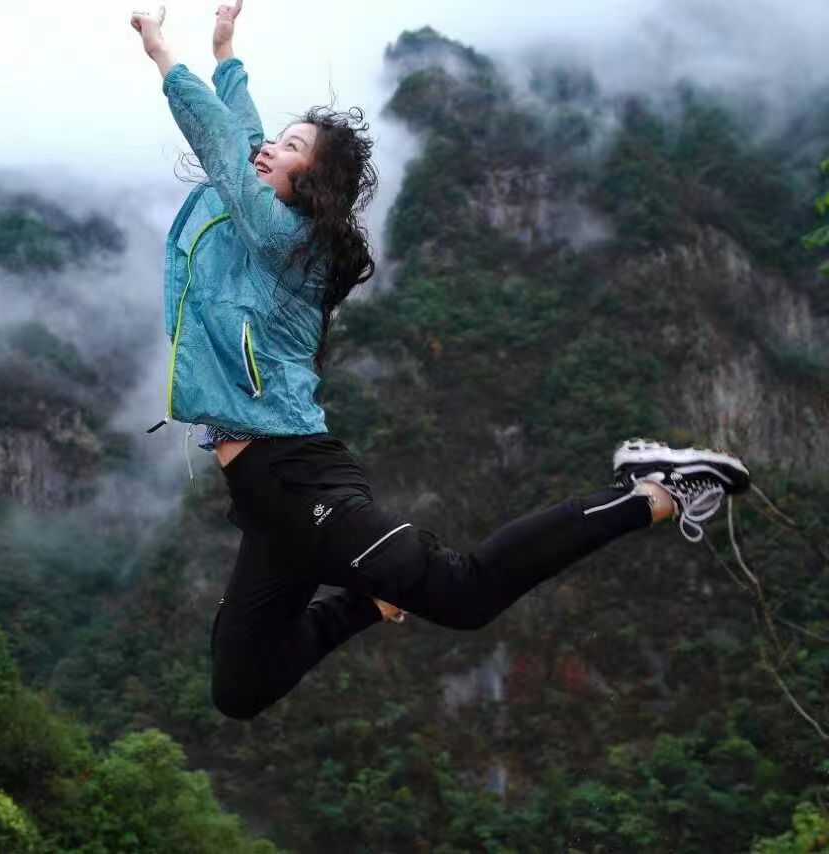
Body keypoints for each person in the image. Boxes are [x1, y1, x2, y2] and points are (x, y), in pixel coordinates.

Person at [129, 2, 750, 721]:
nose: (266, 150)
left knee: (465, 595)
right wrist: (226, 52)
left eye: (289, 147)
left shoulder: (289, 242)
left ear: (313, 184)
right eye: (272, 142)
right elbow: (238, 142)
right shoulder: (253, 225)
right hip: (265, 505)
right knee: (240, 689)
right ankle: (368, 601)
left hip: (298, 478)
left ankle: (648, 490)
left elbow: (219, 142)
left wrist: (162, 53)